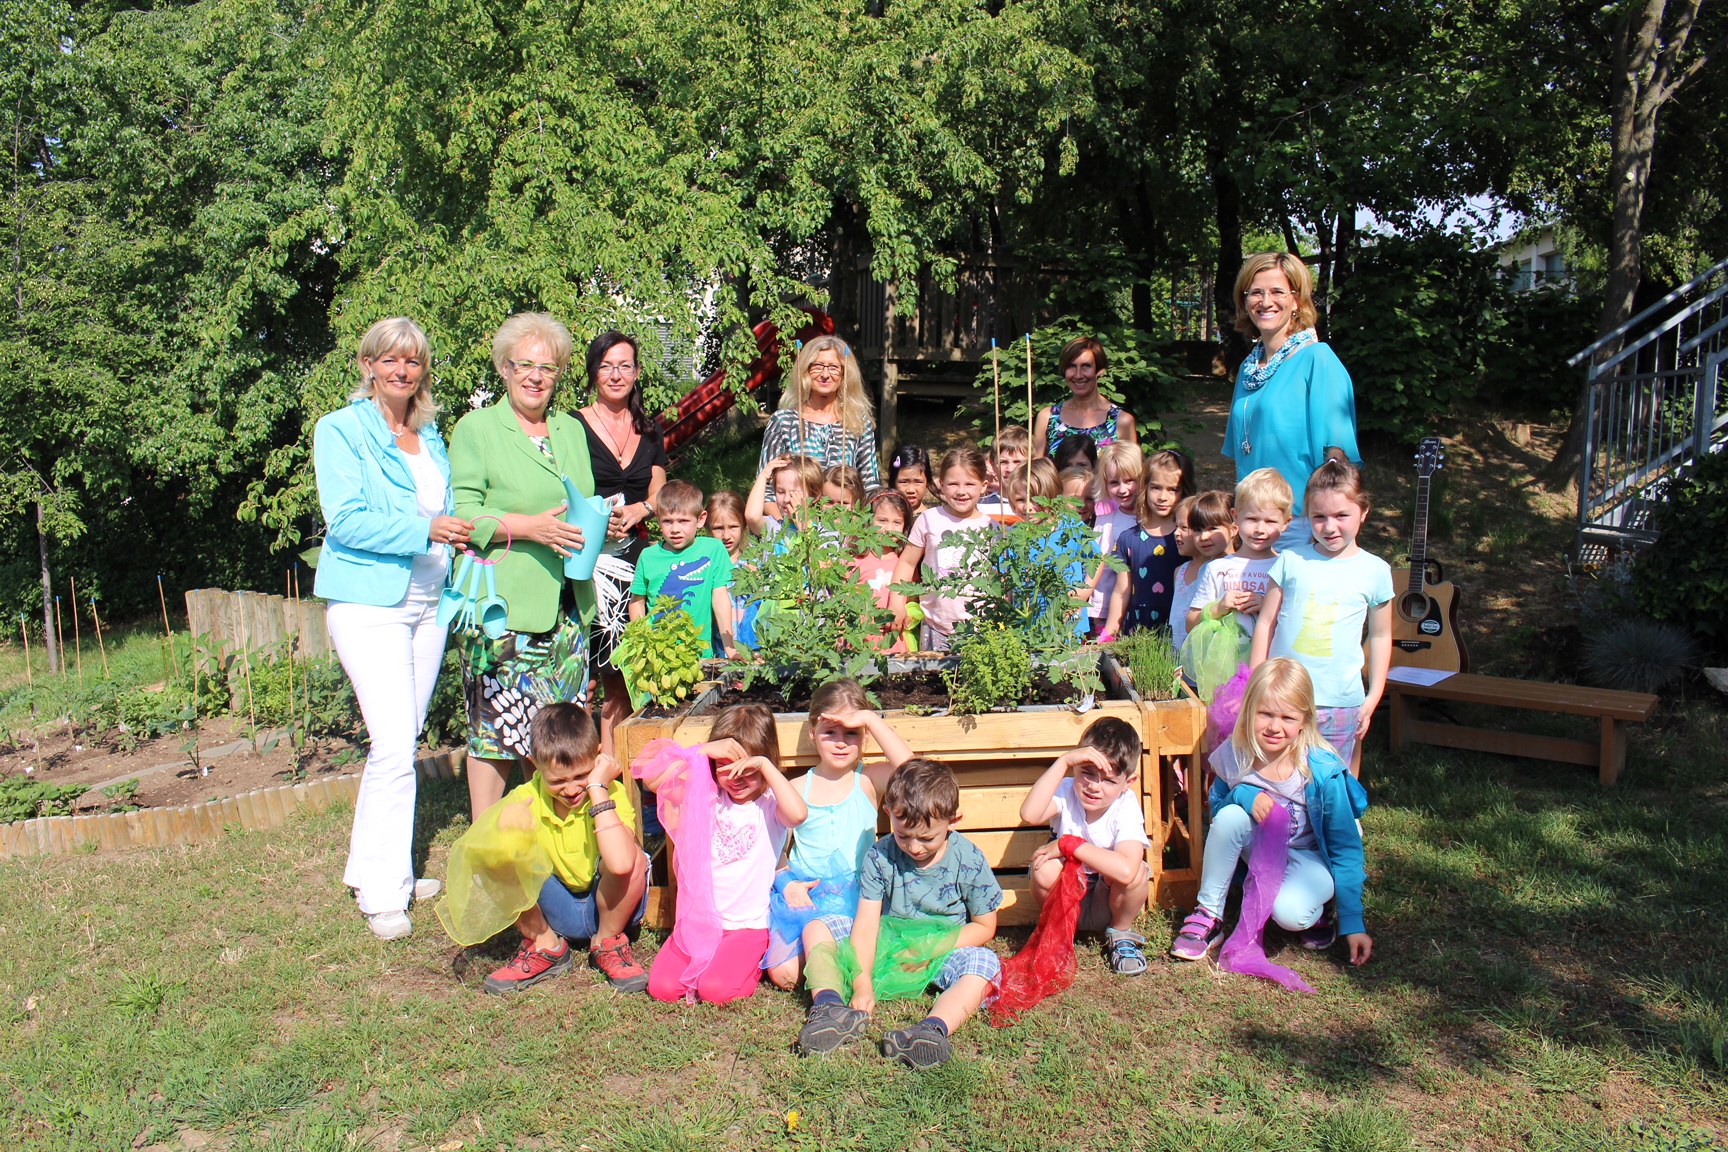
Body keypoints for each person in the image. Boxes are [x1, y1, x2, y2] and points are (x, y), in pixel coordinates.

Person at [314, 317, 471, 940]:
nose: (402, 371)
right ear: (369, 364)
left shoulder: (428, 436)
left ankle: (383, 870)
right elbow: (346, 520)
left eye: (413, 362)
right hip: (369, 602)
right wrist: (425, 531)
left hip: (429, 602)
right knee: (392, 744)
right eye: (390, 360)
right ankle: (383, 893)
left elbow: (451, 510)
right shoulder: (341, 430)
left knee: (402, 739)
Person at [448, 312, 597, 819]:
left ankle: (548, 836)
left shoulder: (570, 429)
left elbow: (581, 499)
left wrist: (604, 521)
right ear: (504, 369)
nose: (536, 376)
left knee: (560, 732)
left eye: (548, 368)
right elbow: (462, 514)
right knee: (496, 733)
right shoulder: (477, 429)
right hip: (502, 607)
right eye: (524, 365)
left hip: (567, 605)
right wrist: (529, 526)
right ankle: (486, 842)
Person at [794, 758, 1003, 1069]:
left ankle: (931, 1031)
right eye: (904, 836)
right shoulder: (880, 856)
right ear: (889, 814)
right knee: (817, 928)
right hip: (887, 941)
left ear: (953, 820)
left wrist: (930, 948)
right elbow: (866, 924)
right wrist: (862, 981)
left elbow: (985, 926)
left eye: (927, 838)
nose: (914, 847)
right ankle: (829, 1008)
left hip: (940, 949)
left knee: (985, 963)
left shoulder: (969, 859)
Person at [1170, 659, 1372, 968]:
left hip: (1309, 855)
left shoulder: (1320, 771)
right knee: (1231, 817)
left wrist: (1353, 922)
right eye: (1265, 714)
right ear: (1249, 711)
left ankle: (1320, 909)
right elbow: (1220, 818)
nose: (1274, 726)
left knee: (1290, 914)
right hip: (1262, 852)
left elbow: (1345, 847)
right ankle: (1209, 913)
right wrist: (1243, 794)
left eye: (1287, 717)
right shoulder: (1235, 755)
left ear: (1304, 720)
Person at [437, 704, 651, 993]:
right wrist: (503, 833)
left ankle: (607, 942)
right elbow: (480, 854)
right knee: (494, 850)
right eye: (558, 781)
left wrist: (598, 788)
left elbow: (622, 864)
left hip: (609, 906)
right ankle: (545, 945)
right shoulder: (525, 798)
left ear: (597, 757)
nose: (573, 789)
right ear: (535, 765)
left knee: (633, 857)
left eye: (582, 776)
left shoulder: (609, 792)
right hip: (556, 907)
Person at [640, 704, 809, 1004]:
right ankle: (710, 960)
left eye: (747, 768)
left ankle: (744, 964)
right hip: (700, 924)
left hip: (747, 927)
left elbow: (797, 814)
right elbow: (651, 778)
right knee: (662, 988)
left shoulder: (770, 806)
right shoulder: (707, 797)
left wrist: (766, 767)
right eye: (723, 765)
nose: (735, 776)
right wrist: (702, 750)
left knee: (715, 990)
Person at [763, 679, 916, 990]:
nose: (841, 742)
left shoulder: (869, 780)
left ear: (864, 736)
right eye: (830, 732)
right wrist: (787, 881)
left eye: (852, 733)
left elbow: (913, 773)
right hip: (808, 898)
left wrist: (871, 720)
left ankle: (842, 961)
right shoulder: (795, 789)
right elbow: (772, 847)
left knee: (863, 955)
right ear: (812, 733)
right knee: (785, 974)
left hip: (861, 898)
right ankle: (833, 961)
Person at [1250, 460, 1393, 775]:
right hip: (1281, 699)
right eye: (1319, 517)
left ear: (1363, 512)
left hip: (1342, 701)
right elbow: (1266, 622)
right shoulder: (1291, 560)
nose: (1330, 527)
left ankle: (1342, 825)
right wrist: (1255, 682)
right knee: (1280, 778)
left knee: (1336, 782)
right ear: (1306, 517)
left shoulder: (1375, 570)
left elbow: (1381, 635)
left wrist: (1374, 695)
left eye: (1342, 515)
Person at [1222, 252, 1361, 550]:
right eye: (1256, 292)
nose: (1265, 301)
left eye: (1277, 291)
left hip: (1300, 526)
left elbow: (1338, 461)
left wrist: (1327, 531)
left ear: (1297, 300)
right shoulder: (1249, 369)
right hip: (1253, 525)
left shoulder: (1318, 359)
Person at [574, 331, 668, 759]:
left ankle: (630, 760)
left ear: (636, 372)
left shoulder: (649, 427)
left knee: (634, 664)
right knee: (597, 669)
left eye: (625, 365)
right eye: (607, 365)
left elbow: (660, 479)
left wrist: (644, 509)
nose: (616, 374)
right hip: (590, 558)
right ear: (594, 371)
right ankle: (594, 760)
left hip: (638, 555)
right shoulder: (572, 426)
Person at [1019, 716, 1151, 975]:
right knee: (1043, 867)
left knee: (1136, 873)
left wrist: (1069, 844)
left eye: (1110, 780)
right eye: (1086, 773)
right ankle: (1056, 934)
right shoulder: (1067, 791)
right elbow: (1030, 814)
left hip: (1107, 898)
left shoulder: (1125, 805)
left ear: (1128, 783)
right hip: (1067, 899)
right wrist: (1063, 761)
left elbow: (1125, 870)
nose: (1094, 786)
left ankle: (1121, 933)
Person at [888, 447, 996, 651]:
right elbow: (907, 562)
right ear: (941, 484)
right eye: (953, 484)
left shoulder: (992, 528)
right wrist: (896, 601)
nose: (961, 491)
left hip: (981, 626)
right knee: (933, 681)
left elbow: (1000, 577)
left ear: (983, 486)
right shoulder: (929, 520)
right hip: (936, 625)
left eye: (970, 484)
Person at [758, 335, 882, 509]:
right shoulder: (783, 422)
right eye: (818, 366)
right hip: (793, 526)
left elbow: (870, 486)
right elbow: (766, 491)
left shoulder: (858, 423)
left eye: (833, 367)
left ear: (845, 373)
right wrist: (788, 528)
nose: (825, 374)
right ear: (805, 370)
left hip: (844, 526)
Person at [629, 480, 736, 659]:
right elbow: (637, 601)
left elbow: (720, 597)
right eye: (667, 522)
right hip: (658, 655)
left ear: (701, 519)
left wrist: (730, 648)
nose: (675, 529)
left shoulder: (713, 549)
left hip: (701, 654)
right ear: (658, 519)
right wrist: (642, 643)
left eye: (683, 521)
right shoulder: (648, 556)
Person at [1103, 450, 1194, 638]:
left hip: (1179, 629)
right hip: (1138, 630)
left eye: (1172, 489)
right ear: (1145, 487)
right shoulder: (1128, 539)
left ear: (1184, 490)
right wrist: (1109, 634)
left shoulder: (1190, 538)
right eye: (1156, 488)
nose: (1162, 497)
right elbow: (1121, 591)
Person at [1033, 337, 1139, 457]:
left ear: (1099, 371)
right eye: (1071, 366)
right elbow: (1037, 472)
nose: (1078, 375)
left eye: (1086, 366)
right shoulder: (1048, 418)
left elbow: (1131, 472)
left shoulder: (1122, 421)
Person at [1169, 491, 1236, 654]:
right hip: (1185, 652)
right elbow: (1189, 621)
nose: (1204, 536)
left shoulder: (1240, 567)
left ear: (1234, 529)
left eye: (1212, 528)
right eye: (1197, 529)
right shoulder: (1203, 569)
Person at [1088, 442, 1142, 639]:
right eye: (1114, 483)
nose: (1122, 489)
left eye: (1130, 481)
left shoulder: (1152, 520)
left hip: (1142, 606)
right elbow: (1098, 564)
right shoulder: (1106, 522)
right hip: (1108, 607)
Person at [853, 491, 914, 652]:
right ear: (867, 520)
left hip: (895, 640)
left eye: (897, 522)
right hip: (861, 640)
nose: (889, 528)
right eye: (882, 520)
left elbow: (914, 597)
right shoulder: (856, 559)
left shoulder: (905, 561)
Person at [707, 490, 759, 650]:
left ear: (743, 525)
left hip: (750, 645)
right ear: (707, 528)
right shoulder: (706, 565)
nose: (726, 535)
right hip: (719, 646)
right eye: (718, 528)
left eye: (733, 527)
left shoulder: (753, 563)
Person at [746, 454, 824, 538]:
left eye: (793, 493)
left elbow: (817, 549)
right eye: (781, 492)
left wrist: (804, 527)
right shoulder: (774, 528)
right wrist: (763, 476)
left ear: (815, 496)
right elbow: (752, 517)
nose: (786, 499)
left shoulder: (824, 534)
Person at [887, 444, 934, 509]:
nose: (911, 490)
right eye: (904, 482)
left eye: (918, 482)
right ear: (893, 482)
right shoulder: (883, 516)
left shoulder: (929, 518)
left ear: (927, 483)